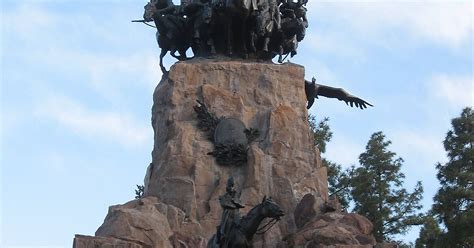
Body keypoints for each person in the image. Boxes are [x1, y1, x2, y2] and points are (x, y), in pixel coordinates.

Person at [217, 177, 245, 247]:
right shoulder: (223, 197)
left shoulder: (236, 197)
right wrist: (234, 204)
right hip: (228, 216)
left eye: (233, 186)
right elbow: (225, 204)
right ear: (228, 187)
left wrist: (234, 201)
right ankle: (223, 240)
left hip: (237, 215)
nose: (232, 188)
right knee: (224, 229)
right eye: (231, 186)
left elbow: (242, 205)